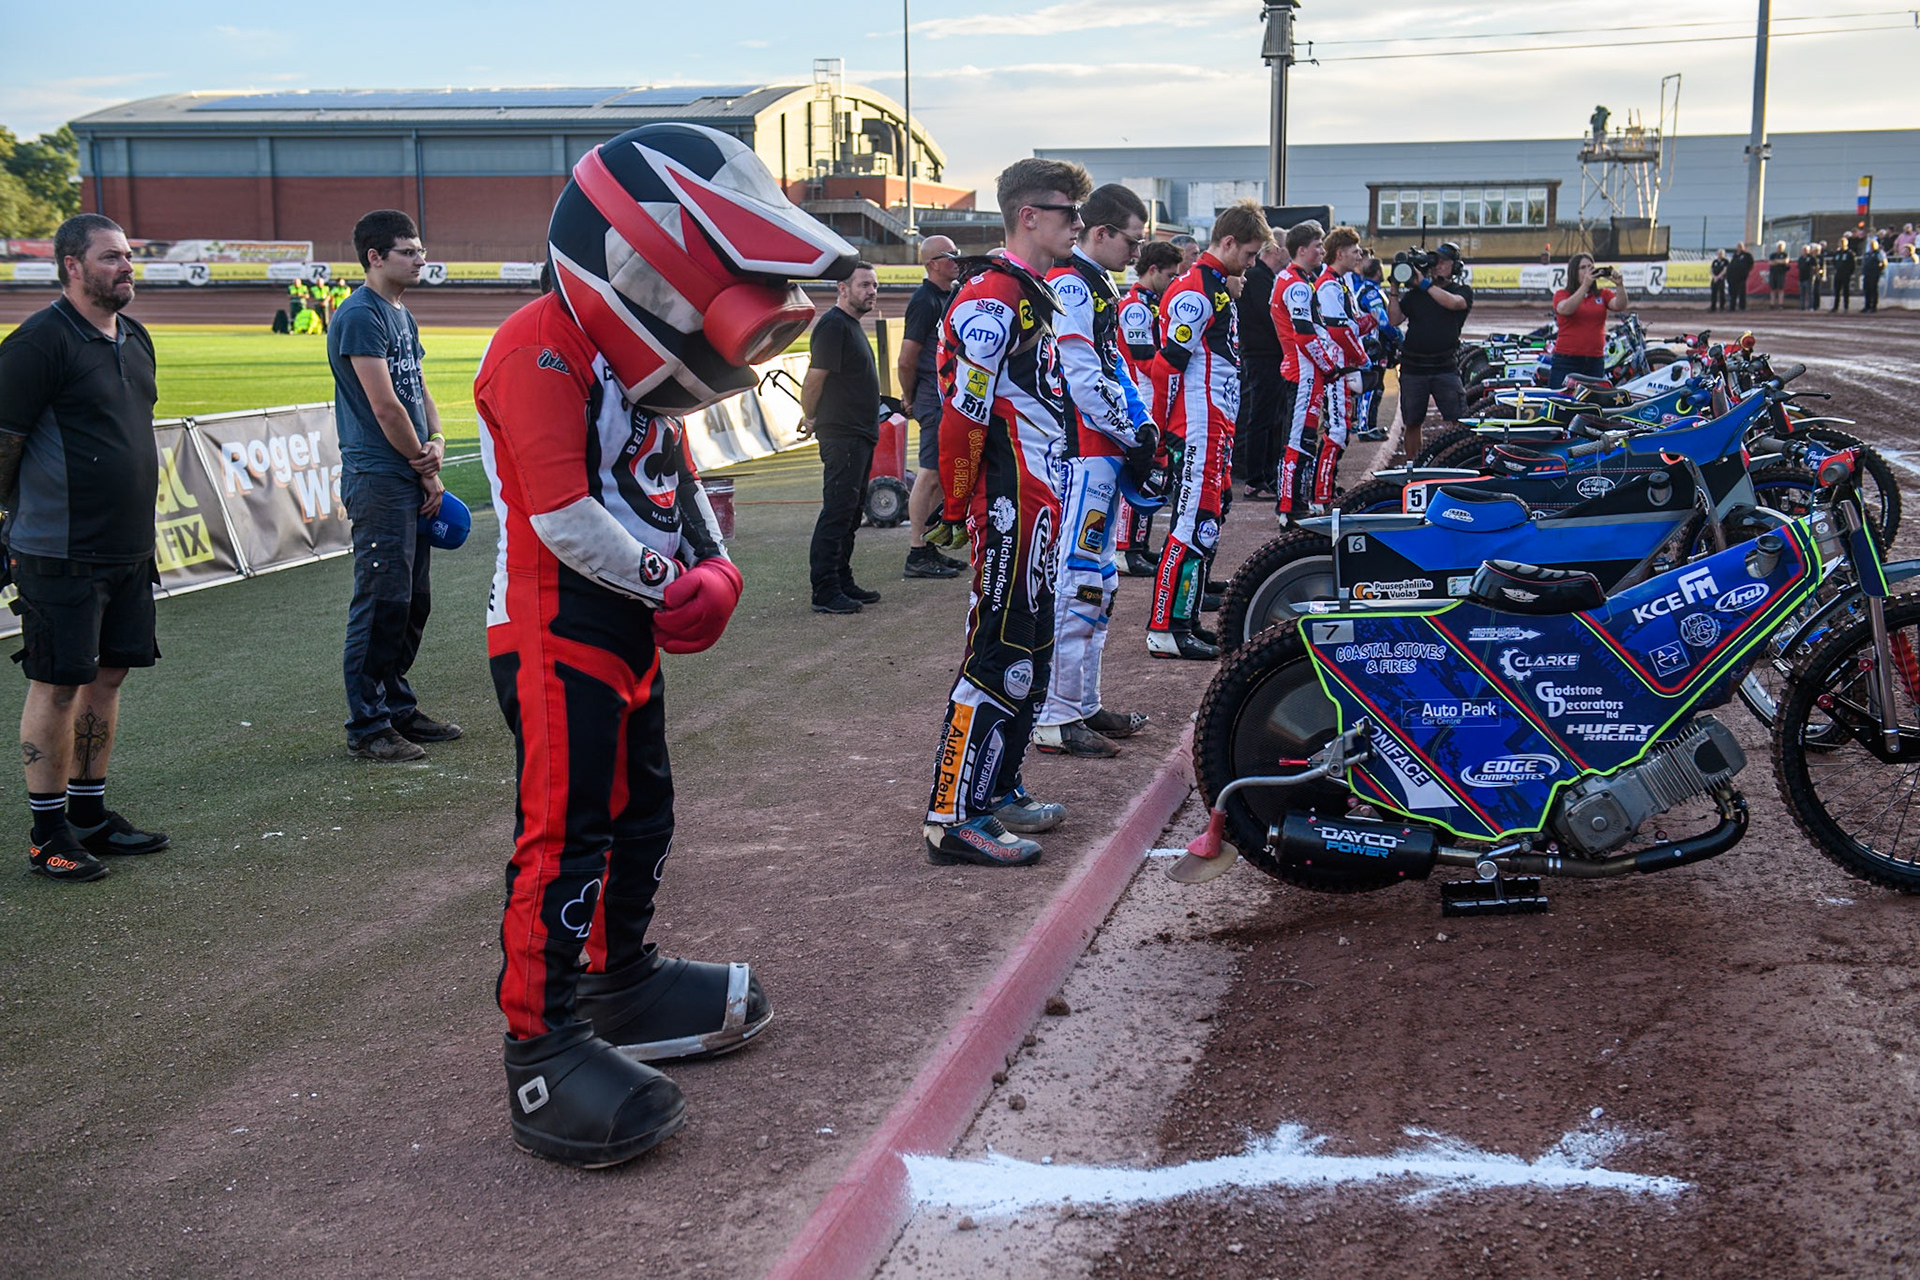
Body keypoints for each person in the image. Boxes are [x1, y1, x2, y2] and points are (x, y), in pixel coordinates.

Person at [476, 122, 850, 1168]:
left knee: (645, 814)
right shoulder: (536, 346)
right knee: (565, 836)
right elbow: (562, 517)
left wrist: (716, 568)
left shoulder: (640, 385)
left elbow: (674, 493)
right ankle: (540, 1047)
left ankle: (621, 978)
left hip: (624, 630)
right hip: (555, 631)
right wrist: (671, 579)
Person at [920, 157, 1088, 867]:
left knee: (1033, 649)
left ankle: (999, 788)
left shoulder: (1028, 293)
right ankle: (952, 816)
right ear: (1028, 215)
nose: (1077, 225)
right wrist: (960, 506)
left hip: (1040, 503)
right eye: (1067, 213)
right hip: (1008, 504)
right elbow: (963, 419)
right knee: (999, 654)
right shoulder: (990, 297)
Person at [0, 213, 170, 882]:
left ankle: (91, 813)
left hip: (127, 547)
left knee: (108, 676)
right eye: (110, 258)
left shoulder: (134, 336)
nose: (125, 267)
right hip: (58, 550)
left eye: (128, 255)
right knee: (59, 684)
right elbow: (3, 443)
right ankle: (48, 834)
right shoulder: (39, 343)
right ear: (72, 265)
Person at [327, 210, 460, 763]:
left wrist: (436, 439)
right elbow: (383, 405)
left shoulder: (401, 313)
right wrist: (422, 464)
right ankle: (368, 724)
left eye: (421, 249)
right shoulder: (360, 315)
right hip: (379, 478)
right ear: (375, 257)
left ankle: (396, 704)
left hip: (407, 473)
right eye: (408, 251)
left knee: (412, 601)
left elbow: (417, 386)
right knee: (381, 601)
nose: (420, 259)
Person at [1033, 184, 1159, 758]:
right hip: (1078, 453)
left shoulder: (1096, 284)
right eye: (1133, 240)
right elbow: (1083, 379)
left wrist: (1144, 431)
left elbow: (1114, 368)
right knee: (1080, 579)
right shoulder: (1070, 284)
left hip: (1101, 452)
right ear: (1101, 233)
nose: (1138, 252)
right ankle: (1055, 717)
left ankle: (1082, 703)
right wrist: (1135, 434)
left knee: (1100, 580)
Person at [1146, 200, 1268, 660]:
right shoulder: (1197, 289)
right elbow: (1166, 369)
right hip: (1197, 426)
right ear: (1229, 242)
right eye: (1250, 255)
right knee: (1191, 522)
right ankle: (1165, 626)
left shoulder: (1216, 285)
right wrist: (1160, 437)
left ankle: (1187, 616)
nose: (1252, 265)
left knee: (1209, 521)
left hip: (1215, 424)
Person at [799, 261, 883, 614]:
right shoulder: (833, 325)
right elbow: (814, 378)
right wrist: (810, 415)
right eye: (864, 285)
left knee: (850, 512)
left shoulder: (849, 326)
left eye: (874, 286)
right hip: (842, 434)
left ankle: (842, 579)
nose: (872, 291)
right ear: (842, 288)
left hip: (859, 433)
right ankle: (825, 589)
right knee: (837, 511)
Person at [1114, 239, 1183, 577]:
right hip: (1140, 398)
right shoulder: (1136, 307)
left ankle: (1137, 545)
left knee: (1155, 475)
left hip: (1152, 395)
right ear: (1152, 270)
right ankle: (1125, 550)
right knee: (1145, 473)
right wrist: (1175, 363)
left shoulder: (1152, 303)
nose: (1173, 282)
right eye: (1170, 275)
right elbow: (1143, 360)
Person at [897, 236, 965, 580]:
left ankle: (930, 544)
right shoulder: (924, 301)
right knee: (929, 472)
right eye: (948, 256)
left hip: (944, 394)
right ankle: (917, 550)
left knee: (941, 472)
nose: (956, 260)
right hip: (931, 395)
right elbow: (907, 358)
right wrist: (910, 398)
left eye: (956, 254)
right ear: (931, 264)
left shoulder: (948, 296)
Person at [1307, 226, 1375, 508]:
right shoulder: (1329, 285)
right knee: (1336, 430)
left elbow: (1349, 324)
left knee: (1340, 429)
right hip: (1336, 368)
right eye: (1355, 250)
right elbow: (1337, 330)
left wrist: (1371, 322)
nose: (1359, 255)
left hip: (1341, 366)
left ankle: (1326, 488)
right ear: (1340, 253)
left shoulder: (1340, 282)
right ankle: (1320, 496)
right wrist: (1361, 358)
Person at [1387, 241, 1472, 460]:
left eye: (1445, 262)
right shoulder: (1416, 294)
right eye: (1437, 261)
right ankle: (1413, 466)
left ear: (1456, 267)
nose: (1439, 266)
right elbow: (1394, 320)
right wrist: (1394, 290)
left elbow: (1454, 303)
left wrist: (1424, 284)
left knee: (1458, 419)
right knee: (1412, 422)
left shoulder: (1461, 291)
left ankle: (1459, 460)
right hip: (1413, 367)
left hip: (1445, 366)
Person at [1271, 219, 1331, 519]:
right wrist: (1329, 365)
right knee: (1300, 440)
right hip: (1303, 372)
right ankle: (1289, 507)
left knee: (1301, 437)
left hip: (1301, 369)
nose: (1322, 250)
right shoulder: (1296, 284)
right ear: (1302, 249)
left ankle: (1295, 502)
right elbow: (1304, 335)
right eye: (1318, 245)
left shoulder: (1293, 278)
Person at [1233, 237, 1286, 500]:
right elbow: (1271, 317)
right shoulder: (1257, 277)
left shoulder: (1264, 277)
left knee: (1273, 418)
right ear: (1276, 249)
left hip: (1268, 355)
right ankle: (1255, 478)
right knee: (1262, 417)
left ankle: (1266, 475)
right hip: (1261, 356)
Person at [1349, 253, 1398, 443]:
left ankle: (1367, 426)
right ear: (1378, 272)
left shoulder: (1365, 289)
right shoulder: (1371, 293)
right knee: (1373, 387)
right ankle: (1365, 428)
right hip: (1372, 347)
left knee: (1373, 386)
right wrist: (1398, 338)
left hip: (1368, 346)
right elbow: (1384, 322)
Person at [1830, 238, 1856, 312]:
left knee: (1845, 291)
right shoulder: (1837, 253)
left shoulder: (1850, 253)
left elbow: (1853, 264)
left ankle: (1846, 307)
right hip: (1838, 274)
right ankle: (1835, 307)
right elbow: (1834, 262)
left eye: (1842, 243)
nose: (1840, 245)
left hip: (1845, 275)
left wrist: (1849, 273)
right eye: (1840, 243)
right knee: (1837, 291)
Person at [1863, 237, 1887, 313]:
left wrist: (1879, 270)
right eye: (1870, 245)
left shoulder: (1878, 253)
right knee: (1867, 290)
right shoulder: (1867, 254)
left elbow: (1884, 263)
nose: (1871, 246)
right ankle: (1867, 306)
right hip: (1867, 274)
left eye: (1873, 245)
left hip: (1874, 274)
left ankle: (1873, 306)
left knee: (1873, 290)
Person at [1727, 242, 1754, 312]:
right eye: (1738, 246)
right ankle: (1732, 307)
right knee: (1733, 293)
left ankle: (1742, 307)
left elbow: (1751, 264)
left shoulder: (1747, 255)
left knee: (1741, 292)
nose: (1739, 248)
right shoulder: (1734, 255)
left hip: (1742, 277)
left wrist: (1746, 271)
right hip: (1733, 277)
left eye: (1741, 246)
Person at [1794, 244, 1816, 311]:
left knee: (1810, 293)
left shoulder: (1811, 258)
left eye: (1806, 250)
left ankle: (1811, 306)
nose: (1804, 251)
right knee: (1802, 294)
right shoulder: (1800, 258)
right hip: (1801, 278)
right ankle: (1802, 306)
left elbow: (1815, 266)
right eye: (1803, 250)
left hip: (1808, 277)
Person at [1769, 241, 1791, 309]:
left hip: (1781, 273)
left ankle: (1780, 304)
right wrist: (1779, 262)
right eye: (1778, 247)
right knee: (1772, 289)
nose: (1779, 248)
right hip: (1773, 273)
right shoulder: (1773, 255)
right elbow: (1770, 263)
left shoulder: (1785, 254)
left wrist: (1777, 261)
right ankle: (1772, 303)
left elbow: (1785, 261)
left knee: (1780, 289)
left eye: (1781, 247)